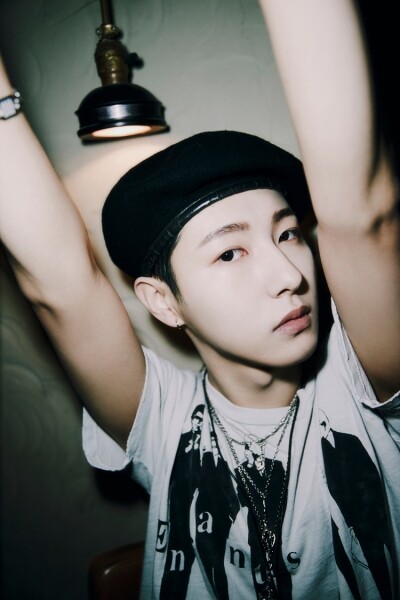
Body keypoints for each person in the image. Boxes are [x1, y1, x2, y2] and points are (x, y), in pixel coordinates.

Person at [1, 0, 399, 598]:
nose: (289, 275)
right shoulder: (163, 417)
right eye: (230, 253)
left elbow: (364, 216)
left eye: (288, 233)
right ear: (164, 302)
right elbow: (59, 287)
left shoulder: (361, 381)